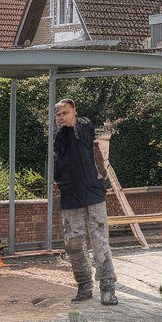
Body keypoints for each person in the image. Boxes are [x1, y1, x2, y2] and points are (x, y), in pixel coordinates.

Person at [53, 98, 117, 305]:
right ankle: (84, 286)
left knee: (99, 239)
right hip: (70, 195)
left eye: (65, 113)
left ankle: (108, 288)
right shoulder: (60, 137)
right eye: (58, 114)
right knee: (73, 243)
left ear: (74, 112)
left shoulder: (85, 126)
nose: (61, 117)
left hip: (92, 192)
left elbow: (86, 133)